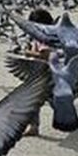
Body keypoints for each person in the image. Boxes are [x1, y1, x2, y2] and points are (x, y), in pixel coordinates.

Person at [21, 8, 54, 137]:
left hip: (46, 75)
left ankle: (33, 126)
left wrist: (27, 52)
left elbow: (46, 54)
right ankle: (33, 126)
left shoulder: (43, 37)